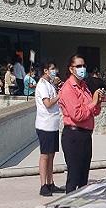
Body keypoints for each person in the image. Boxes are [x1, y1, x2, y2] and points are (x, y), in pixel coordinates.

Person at [59, 55, 102, 192]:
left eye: (83, 65)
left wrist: (97, 102)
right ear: (71, 69)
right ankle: (68, 207)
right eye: (78, 66)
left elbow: (94, 111)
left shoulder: (84, 86)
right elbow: (77, 115)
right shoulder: (68, 88)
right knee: (74, 176)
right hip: (73, 135)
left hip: (85, 134)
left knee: (84, 176)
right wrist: (93, 103)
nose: (82, 69)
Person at [35, 62, 65, 197]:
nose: (55, 71)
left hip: (53, 124)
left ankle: (50, 182)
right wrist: (60, 94)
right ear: (46, 70)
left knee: (51, 155)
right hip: (45, 125)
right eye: (52, 69)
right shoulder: (42, 85)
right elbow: (47, 103)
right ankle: (43, 185)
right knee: (45, 155)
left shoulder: (50, 84)